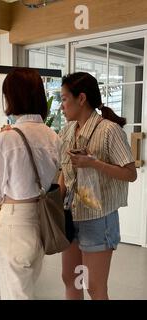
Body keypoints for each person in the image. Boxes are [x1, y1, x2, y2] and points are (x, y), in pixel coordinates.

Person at [0, 68, 61, 299]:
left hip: (16, 222)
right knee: (26, 290)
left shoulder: (4, 139)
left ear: (11, 98)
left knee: (15, 294)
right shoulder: (52, 136)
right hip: (43, 219)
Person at [58, 72, 137, 300]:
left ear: (81, 98)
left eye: (64, 99)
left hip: (98, 218)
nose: (62, 106)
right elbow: (65, 172)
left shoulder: (109, 131)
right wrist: (55, 207)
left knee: (94, 286)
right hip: (70, 215)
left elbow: (130, 174)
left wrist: (95, 164)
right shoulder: (67, 131)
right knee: (70, 279)